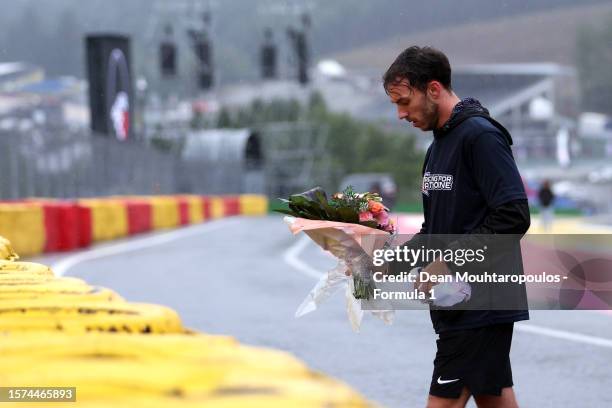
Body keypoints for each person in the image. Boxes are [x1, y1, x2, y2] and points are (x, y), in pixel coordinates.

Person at [383, 46, 531, 408]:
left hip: (480, 303)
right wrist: (381, 265)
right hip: (458, 306)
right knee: (494, 397)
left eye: (405, 102)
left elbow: (513, 216)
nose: (401, 114)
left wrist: (447, 263)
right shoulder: (437, 148)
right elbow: (435, 231)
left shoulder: (480, 137)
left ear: (433, 89)